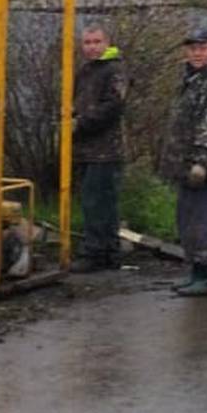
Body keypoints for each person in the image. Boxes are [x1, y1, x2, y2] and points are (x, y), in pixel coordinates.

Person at [159, 26, 207, 298]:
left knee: (205, 221)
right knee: (188, 220)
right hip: (186, 164)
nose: (196, 52)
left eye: (202, 47)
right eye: (192, 47)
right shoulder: (192, 78)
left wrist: (203, 163)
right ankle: (195, 270)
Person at [70, 23, 130, 271]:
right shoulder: (86, 71)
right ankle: (105, 251)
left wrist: (80, 123)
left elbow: (113, 107)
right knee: (93, 202)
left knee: (98, 202)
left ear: (107, 42)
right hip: (86, 149)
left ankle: (98, 252)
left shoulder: (114, 70)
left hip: (106, 150)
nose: (92, 47)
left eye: (96, 42)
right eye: (87, 42)